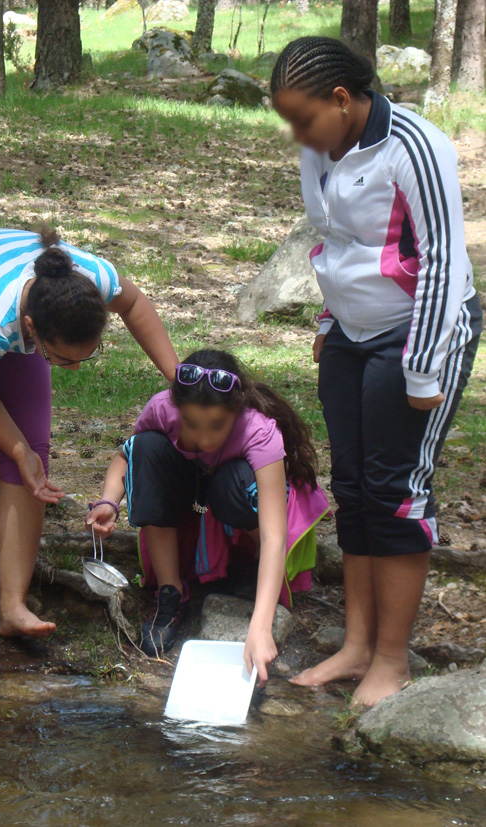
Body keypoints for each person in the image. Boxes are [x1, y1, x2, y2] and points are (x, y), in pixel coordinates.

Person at [270, 37, 482, 705]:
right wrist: (331, 324)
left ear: (342, 99)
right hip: (350, 334)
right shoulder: (318, 147)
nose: (297, 135)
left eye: (303, 119)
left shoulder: (414, 144)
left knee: (396, 487)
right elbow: (333, 240)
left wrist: (422, 370)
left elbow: (444, 259)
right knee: (354, 484)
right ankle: (357, 643)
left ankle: (393, 658)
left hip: (419, 334)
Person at [0, 225, 178, 661]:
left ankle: (12, 606)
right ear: (31, 328)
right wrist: (16, 448)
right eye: (62, 358)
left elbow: (135, 303)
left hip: (7, 299)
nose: (74, 370)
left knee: (35, 461)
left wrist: (177, 379)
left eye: (87, 355)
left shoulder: (93, 280)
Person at [86, 349, 329, 686]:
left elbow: (276, 534)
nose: (203, 438)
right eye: (191, 424)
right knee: (148, 447)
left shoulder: (258, 431)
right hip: (190, 501)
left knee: (234, 480)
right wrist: (109, 502)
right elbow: (127, 457)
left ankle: (251, 569)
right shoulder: (162, 408)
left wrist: (260, 627)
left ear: (236, 411)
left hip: (236, 507)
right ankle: (171, 592)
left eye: (216, 426)